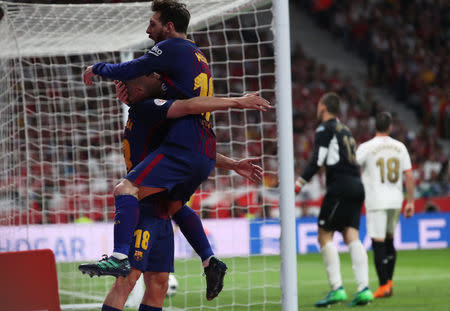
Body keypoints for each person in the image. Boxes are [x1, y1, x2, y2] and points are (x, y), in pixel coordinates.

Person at [80, 0, 247, 300]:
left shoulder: (156, 97)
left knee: (132, 195)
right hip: (159, 197)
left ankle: (121, 256)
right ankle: (209, 258)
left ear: (169, 26)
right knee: (151, 275)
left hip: (154, 195)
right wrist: (231, 163)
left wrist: (100, 70)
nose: (148, 29)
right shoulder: (159, 98)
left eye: (153, 23)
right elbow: (179, 108)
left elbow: (172, 95)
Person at [81, 74, 269, 311]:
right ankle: (207, 259)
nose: (120, 91)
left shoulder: (153, 114)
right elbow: (188, 130)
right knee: (127, 280)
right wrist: (236, 104)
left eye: (124, 86)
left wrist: (232, 164)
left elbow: (188, 148)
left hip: (161, 213)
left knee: (159, 284)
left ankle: (208, 259)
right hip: (143, 209)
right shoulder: (147, 110)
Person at [295, 92, 374, 307]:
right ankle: (364, 289)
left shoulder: (325, 128)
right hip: (357, 186)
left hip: (339, 187)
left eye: (318, 105)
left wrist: (299, 183)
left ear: (323, 107)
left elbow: (317, 160)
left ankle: (337, 288)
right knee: (351, 235)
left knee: (324, 235)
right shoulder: (345, 129)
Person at [356, 111, 414, 298]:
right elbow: (409, 175)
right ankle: (389, 281)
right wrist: (410, 201)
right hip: (396, 200)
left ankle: (383, 286)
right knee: (390, 240)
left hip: (376, 200)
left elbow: (353, 164)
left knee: (378, 242)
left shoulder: (365, 147)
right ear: (390, 127)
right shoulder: (400, 147)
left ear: (375, 126)